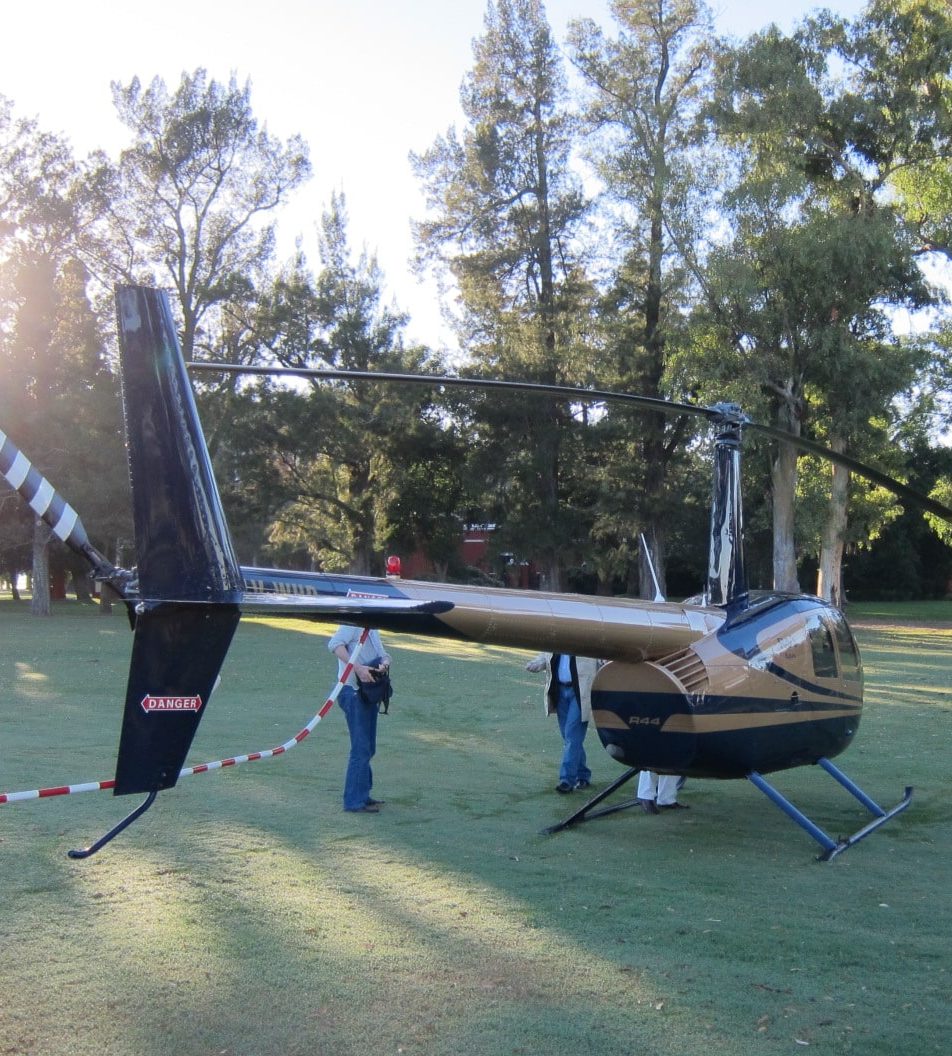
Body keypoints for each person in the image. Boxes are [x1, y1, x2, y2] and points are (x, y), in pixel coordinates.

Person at [329, 625, 392, 814]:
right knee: (361, 748)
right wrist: (357, 668)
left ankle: (362, 794)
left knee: (368, 747)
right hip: (353, 693)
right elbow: (334, 645)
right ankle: (354, 801)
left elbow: (383, 653)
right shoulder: (352, 624)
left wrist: (385, 662)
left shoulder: (372, 628)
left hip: (367, 693)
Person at [525, 652, 600, 794]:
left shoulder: (587, 638)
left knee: (572, 736)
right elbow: (547, 656)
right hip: (559, 691)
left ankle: (566, 780)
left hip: (579, 693)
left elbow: (602, 658)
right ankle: (583, 774)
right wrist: (538, 664)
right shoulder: (559, 636)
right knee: (569, 737)